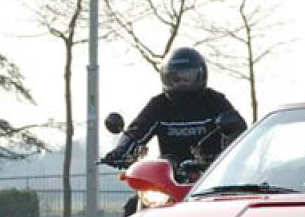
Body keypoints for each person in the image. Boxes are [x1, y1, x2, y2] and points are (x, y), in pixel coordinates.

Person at [103, 47, 247, 178]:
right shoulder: (158, 105)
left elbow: (239, 130)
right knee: (135, 204)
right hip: (169, 175)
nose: (182, 82)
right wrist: (120, 152)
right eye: (176, 78)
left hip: (211, 175)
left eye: (188, 77)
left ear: (200, 75)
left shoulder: (215, 101)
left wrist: (227, 154)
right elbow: (137, 131)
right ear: (166, 78)